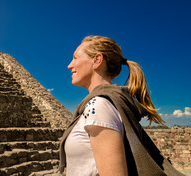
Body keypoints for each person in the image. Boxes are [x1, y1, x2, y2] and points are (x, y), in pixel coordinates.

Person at [58, 36, 184, 176]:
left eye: (75, 58)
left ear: (97, 60)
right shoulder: (110, 103)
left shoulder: (98, 106)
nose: (70, 65)